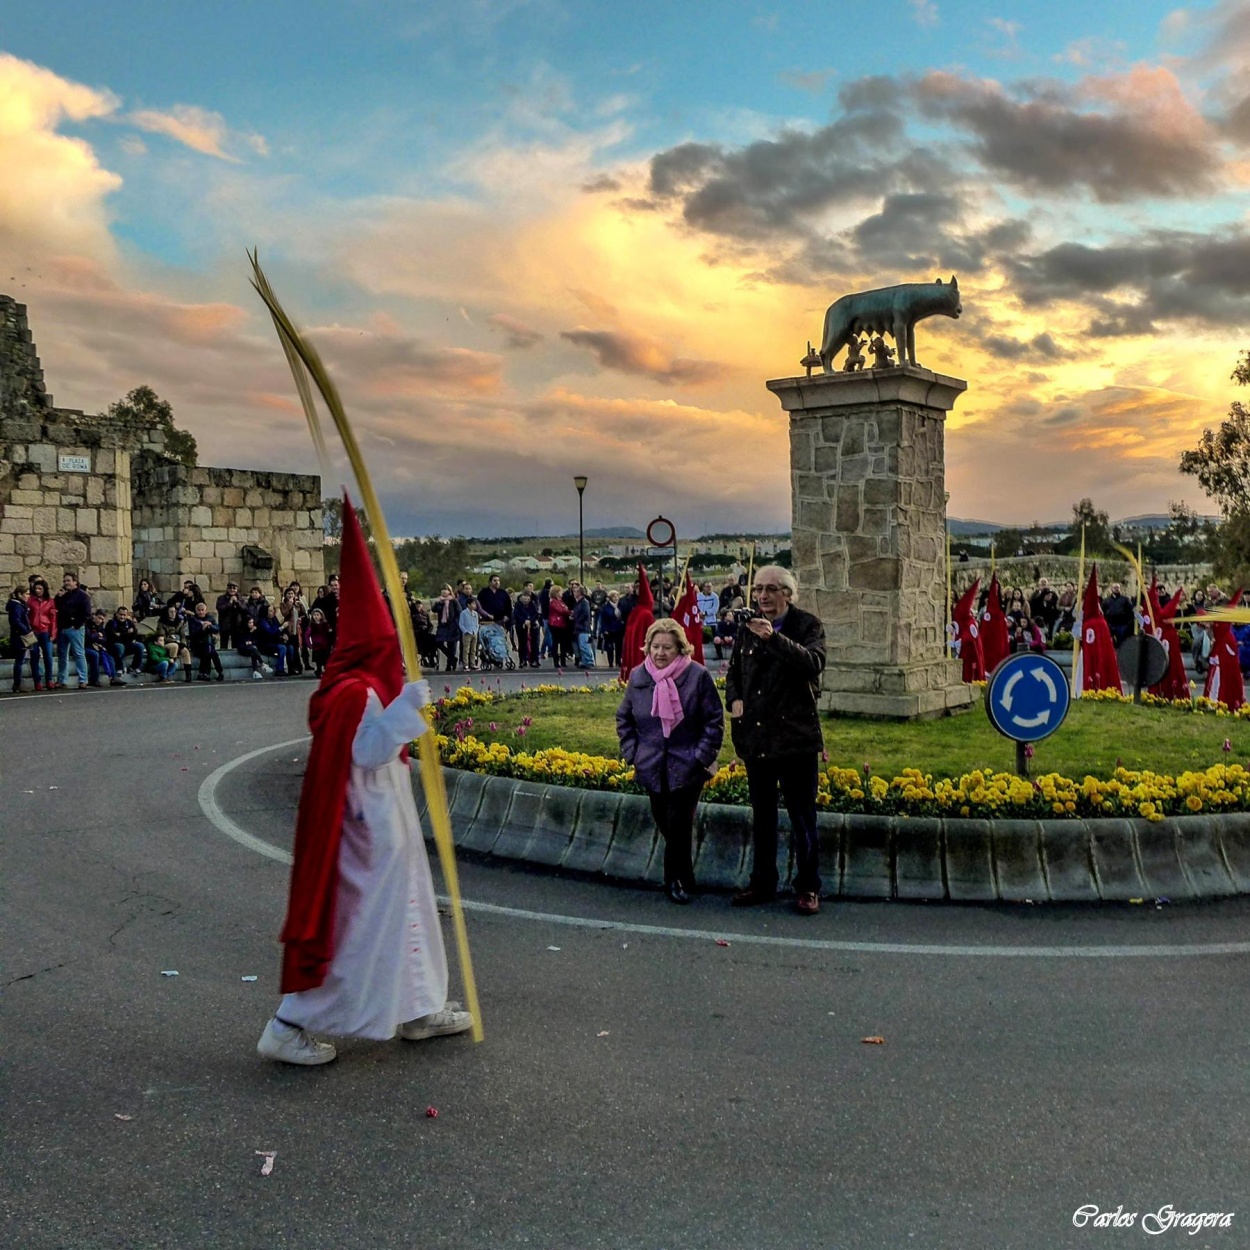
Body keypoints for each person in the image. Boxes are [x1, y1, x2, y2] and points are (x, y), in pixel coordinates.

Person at [257, 497, 472, 1066]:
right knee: (357, 938)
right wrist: (406, 710)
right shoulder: (356, 691)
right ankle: (289, 1024)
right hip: (365, 838)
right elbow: (368, 750)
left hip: (384, 830)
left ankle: (420, 1009)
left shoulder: (357, 685)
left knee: (409, 919)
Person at [725, 566, 826, 916]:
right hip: (757, 737)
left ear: (788, 594)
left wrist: (774, 639)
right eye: (758, 590)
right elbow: (735, 671)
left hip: (796, 739)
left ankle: (809, 887)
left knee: (802, 817)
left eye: (770, 590)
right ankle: (762, 882)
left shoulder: (807, 625)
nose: (763, 596)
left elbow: (813, 664)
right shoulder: (746, 625)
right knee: (762, 816)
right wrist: (733, 701)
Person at [616, 619, 724, 904]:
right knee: (665, 821)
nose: (661, 653)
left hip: (687, 763)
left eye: (667, 647)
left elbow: (714, 720)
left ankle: (673, 880)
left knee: (678, 823)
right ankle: (686, 874)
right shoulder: (639, 677)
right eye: (655, 647)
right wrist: (633, 753)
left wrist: (701, 755)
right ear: (648, 648)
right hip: (651, 763)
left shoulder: (697, 675)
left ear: (680, 648)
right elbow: (624, 718)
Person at [54, 572, 92, 690]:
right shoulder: (64, 595)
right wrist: (58, 597)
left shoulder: (82, 596)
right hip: (63, 628)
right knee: (62, 655)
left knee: (79, 653)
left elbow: (87, 613)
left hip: (74, 628)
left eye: (68, 581)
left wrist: (76, 624)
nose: (66, 583)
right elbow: (57, 607)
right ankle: (62, 680)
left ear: (75, 582)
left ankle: (83, 680)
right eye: (65, 581)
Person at [7, 585, 40, 693]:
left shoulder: (19, 605)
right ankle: (17, 684)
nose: (28, 596)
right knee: (19, 661)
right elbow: (16, 621)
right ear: (19, 595)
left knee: (20, 660)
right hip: (19, 636)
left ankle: (17, 683)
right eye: (26, 594)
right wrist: (26, 631)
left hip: (19, 635)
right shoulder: (17, 606)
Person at [27, 577, 56, 690]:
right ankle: (37, 681)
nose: (38, 590)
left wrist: (53, 633)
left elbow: (53, 618)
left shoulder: (50, 601)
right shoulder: (30, 601)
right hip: (34, 631)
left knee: (48, 656)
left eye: (40, 588)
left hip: (45, 631)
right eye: (36, 588)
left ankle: (49, 680)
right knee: (34, 656)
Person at [157, 601, 195, 683]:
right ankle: (169, 671)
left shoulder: (179, 622)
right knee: (174, 646)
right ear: (167, 613)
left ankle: (188, 674)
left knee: (185, 651)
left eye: (174, 611)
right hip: (167, 643)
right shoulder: (162, 623)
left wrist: (183, 643)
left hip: (178, 642)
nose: (173, 613)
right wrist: (173, 640)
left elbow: (183, 635)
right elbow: (162, 636)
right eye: (171, 612)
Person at [85, 609, 125, 687]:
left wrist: (97, 639)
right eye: (99, 618)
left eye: (102, 619)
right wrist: (97, 635)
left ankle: (113, 677)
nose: (100, 621)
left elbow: (104, 639)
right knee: (95, 655)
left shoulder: (100, 627)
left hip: (98, 647)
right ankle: (94, 679)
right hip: (86, 646)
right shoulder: (88, 624)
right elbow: (88, 637)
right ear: (94, 616)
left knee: (108, 656)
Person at [188, 602, 225, 681]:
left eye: (202, 610)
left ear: (205, 610)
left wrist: (209, 626)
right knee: (207, 651)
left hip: (208, 642)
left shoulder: (210, 618)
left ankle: (220, 672)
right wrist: (202, 628)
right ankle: (204, 673)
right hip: (197, 643)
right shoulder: (193, 619)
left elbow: (217, 629)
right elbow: (193, 633)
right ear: (196, 611)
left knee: (213, 653)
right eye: (199, 610)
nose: (201, 612)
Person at [105, 606, 146, 675]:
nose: (122, 617)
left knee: (140, 646)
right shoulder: (111, 623)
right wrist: (126, 633)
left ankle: (134, 667)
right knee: (119, 646)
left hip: (127, 645)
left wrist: (121, 634)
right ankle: (119, 668)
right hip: (115, 646)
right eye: (121, 615)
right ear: (117, 614)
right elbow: (112, 636)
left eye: (124, 615)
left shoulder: (129, 622)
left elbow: (134, 634)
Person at [257, 603, 291, 676]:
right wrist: (282, 627)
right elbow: (271, 632)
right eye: (270, 611)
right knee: (282, 648)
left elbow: (278, 629)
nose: (272, 612)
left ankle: (291, 668)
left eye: (273, 610)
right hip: (266, 644)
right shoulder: (263, 621)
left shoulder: (274, 619)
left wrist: (284, 634)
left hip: (275, 641)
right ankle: (279, 669)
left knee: (290, 647)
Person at [433, 585, 460, 671]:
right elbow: (434, 610)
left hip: (451, 625)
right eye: (442, 589)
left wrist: (455, 623)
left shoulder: (453, 601)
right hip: (442, 625)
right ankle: (452, 658)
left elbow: (459, 611)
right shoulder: (440, 601)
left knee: (451, 645)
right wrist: (438, 602)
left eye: (446, 590)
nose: (444, 591)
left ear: (449, 591)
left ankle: (449, 664)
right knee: (438, 642)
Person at [514, 590, 542, 668]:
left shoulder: (533, 604)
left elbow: (536, 614)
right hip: (521, 626)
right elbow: (516, 615)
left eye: (528, 598)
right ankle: (522, 660)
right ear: (521, 597)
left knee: (534, 643)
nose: (526, 600)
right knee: (522, 643)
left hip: (532, 625)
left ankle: (534, 660)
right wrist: (524, 621)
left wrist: (530, 620)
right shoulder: (517, 605)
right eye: (524, 598)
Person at [1102, 582, 1135, 646]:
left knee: (1122, 643)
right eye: (1115, 587)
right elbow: (1103, 612)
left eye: (1118, 587)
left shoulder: (1125, 600)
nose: (1116, 589)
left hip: (1122, 626)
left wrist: (1127, 624)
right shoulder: (1106, 601)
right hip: (1110, 625)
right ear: (1112, 589)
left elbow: (1130, 612)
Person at [216, 583, 247, 651]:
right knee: (223, 645)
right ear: (227, 589)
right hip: (225, 624)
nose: (232, 590)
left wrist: (237, 602)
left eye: (234, 588)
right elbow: (220, 608)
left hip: (236, 625)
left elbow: (244, 609)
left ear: (237, 589)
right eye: (230, 588)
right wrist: (229, 603)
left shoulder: (240, 599)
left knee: (235, 646)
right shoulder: (221, 598)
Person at [547, 585, 572, 668]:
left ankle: (563, 661)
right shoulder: (553, 601)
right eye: (560, 592)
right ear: (556, 593)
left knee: (563, 643)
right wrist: (569, 612)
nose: (562, 593)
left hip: (562, 624)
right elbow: (561, 610)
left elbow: (565, 609)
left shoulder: (560, 601)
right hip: (555, 624)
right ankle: (556, 662)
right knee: (555, 643)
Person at [598, 591, 623, 669]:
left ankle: (618, 661)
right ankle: (610, 662)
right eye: (614, 597)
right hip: (609, 630)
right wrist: (604, 630)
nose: (616, 598)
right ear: (610, 598)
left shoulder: (621, 606)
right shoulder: (605, 607)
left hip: (619, 629)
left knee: (619, 647)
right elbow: (603, 620)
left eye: (617, 596)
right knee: (610, 647)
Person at [572, 585, 594, 670]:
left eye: (576, 591)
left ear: (580, 593)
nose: (574, 593)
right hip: (579, 626)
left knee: (584, 645)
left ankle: (589, 661)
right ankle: (585, 660)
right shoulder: (578, 602)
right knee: (582, 645)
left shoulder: (584, 602)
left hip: (583, 627)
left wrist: (577, 619)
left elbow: (586, 614)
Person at [307, 608, 334, 678]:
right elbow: (307, 635)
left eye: (317, 615)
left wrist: (330, 643)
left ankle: (326, 671)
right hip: (316, 646)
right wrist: (309, 644)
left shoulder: (325, 625)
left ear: (321, 616)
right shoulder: (311, 625)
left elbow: (329, 634)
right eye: (314, 615)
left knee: (326, 660)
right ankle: (318, 671)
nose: (316, 616)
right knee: (318, 661)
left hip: (325, 645)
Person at [459, 596, 481, 671]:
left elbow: (477, 623)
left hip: (474, 632)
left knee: (473, 650)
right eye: (473, 604)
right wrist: (466, 631)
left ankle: (472, 664)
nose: (474, 605)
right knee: (466, 650)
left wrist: (476, 630)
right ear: (468, 605)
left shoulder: (475, 613)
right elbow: (461, 624)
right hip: (467, 633)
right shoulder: (463, 613)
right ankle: (465, 664)